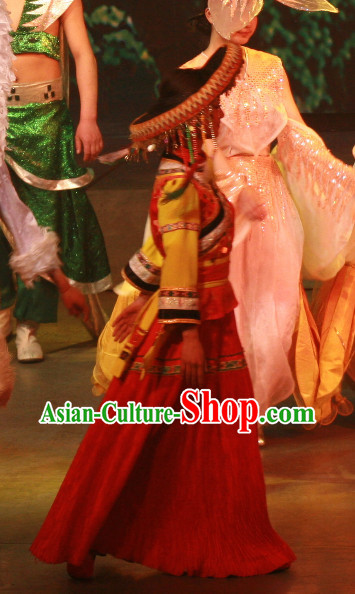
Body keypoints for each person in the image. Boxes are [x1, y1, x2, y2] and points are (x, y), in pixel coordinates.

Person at [30, 44, 296, 578]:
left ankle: (194, 526)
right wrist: (186, 331)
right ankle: (100, 532)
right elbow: (177, 261)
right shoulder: (179, 182)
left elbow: (165, 254)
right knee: (144, 432)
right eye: (215, 107)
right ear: (195, 115)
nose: (222, 114)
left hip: (207, 319)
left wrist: (138, 293)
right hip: (192, 329)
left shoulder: (193, 172)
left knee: (185, 436)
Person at [182, 0, 354, 425]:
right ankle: (217, 408)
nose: (246, 21)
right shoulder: (190, 73)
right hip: (217, 199)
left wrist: (341, 176)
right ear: (208, 12)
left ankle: (250, 410)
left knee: (272, 306)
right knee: (226, 304)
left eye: (253, 9)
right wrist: (236, 191)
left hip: (270, 199)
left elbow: (296, 133)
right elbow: (198, 148)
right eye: (234, 8)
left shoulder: (270, 65)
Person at [0, 0, 111, 362]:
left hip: (46, 125)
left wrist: (89, 118)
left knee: (44, 224)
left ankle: (29, 324)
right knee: (8, 228)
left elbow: (83, 55)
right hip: (2, 121)